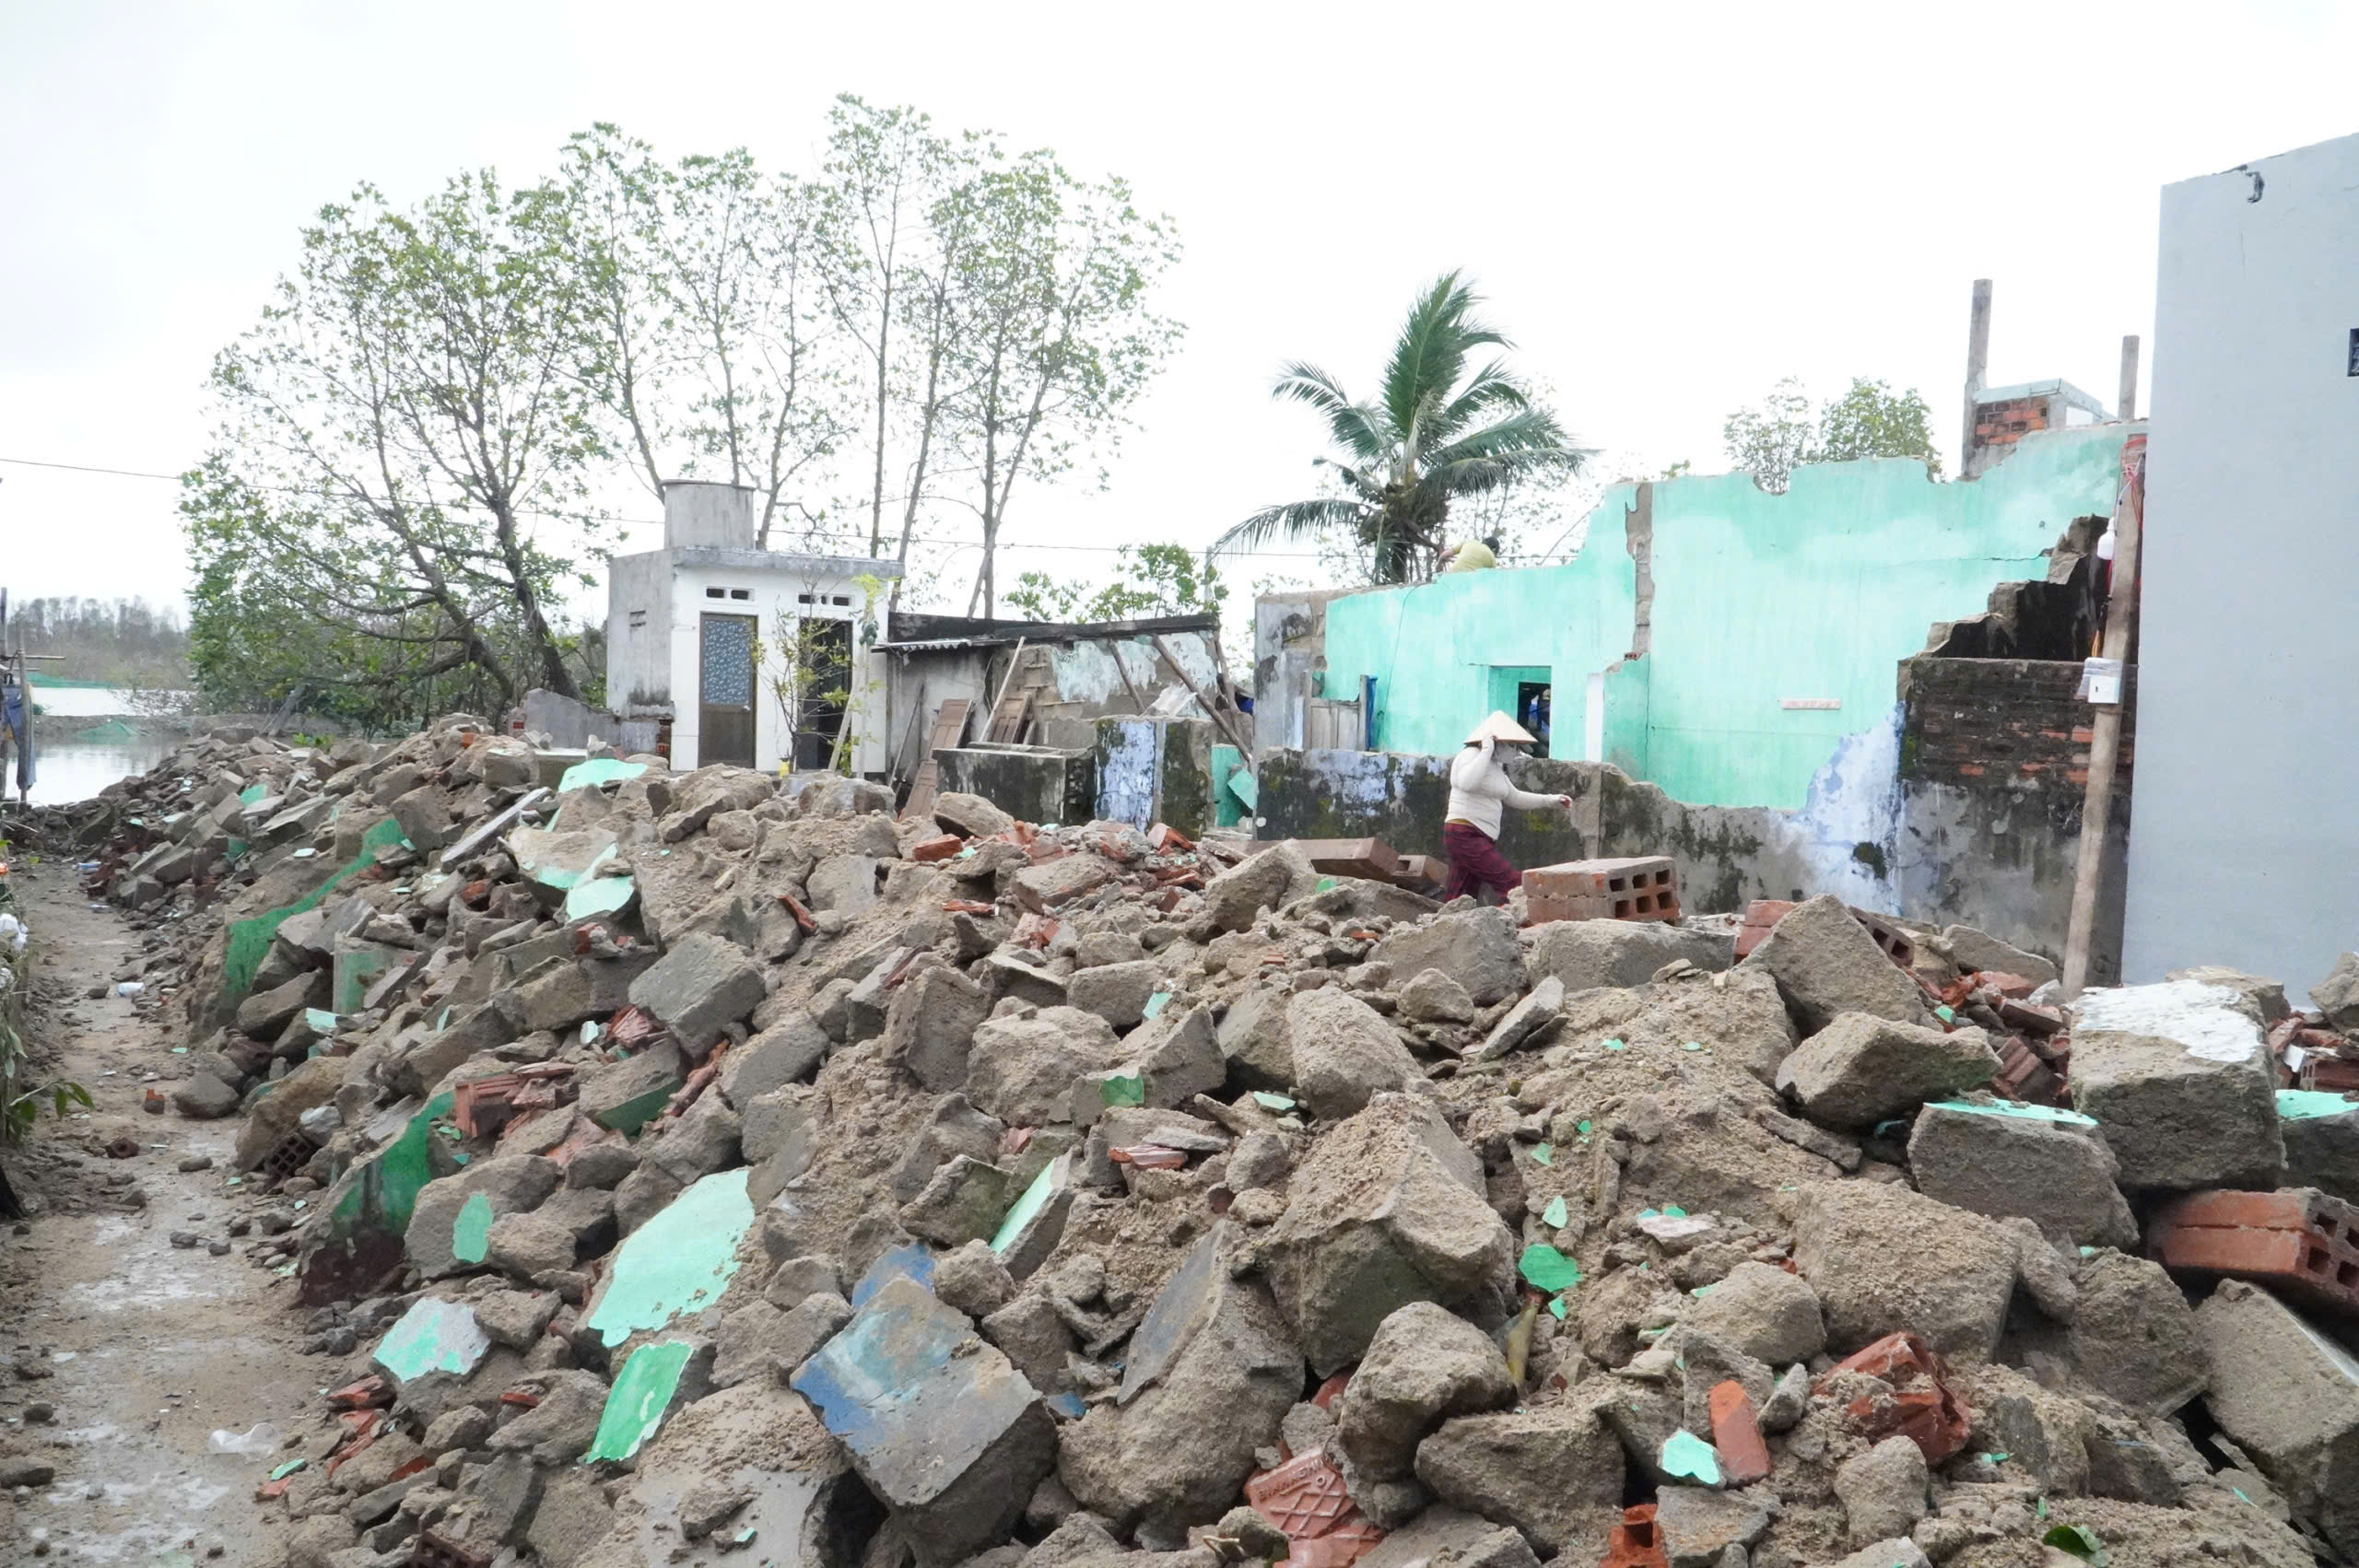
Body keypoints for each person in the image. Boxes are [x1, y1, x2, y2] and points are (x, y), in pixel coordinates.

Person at [1442, 711, 1573, 905]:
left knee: (1461, 895)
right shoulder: (1471, 755)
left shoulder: (1495, 767)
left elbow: (1514, 797)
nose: (1515, 751)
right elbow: (1467, 783)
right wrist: (1486, 751)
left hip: (1479, 835)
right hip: (1465, 834)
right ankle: (1526, 919)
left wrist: (1552, 799)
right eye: (1511, 745)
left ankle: (1444, 928)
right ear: (1495, 742)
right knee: (1512, 883)